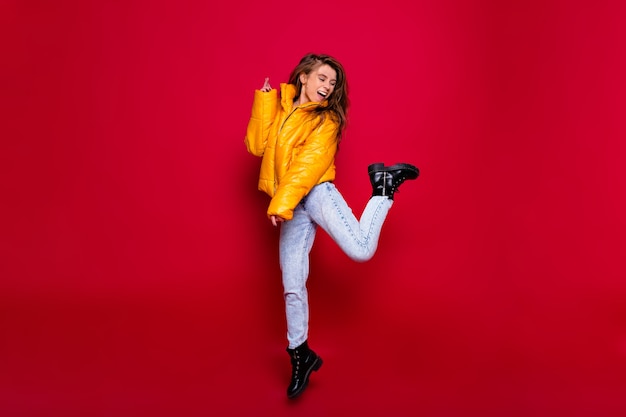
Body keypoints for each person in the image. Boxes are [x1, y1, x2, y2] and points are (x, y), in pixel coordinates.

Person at [244, 53, 419, 399]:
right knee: (292, 283)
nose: (327, 87)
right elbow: (256, 147)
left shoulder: (327, 122)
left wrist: (281, 203)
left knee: (361, 250)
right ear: (304, 77)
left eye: (333, 83)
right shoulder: (281, 108)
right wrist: (264, 103)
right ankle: (301, 354)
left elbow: (306, 168)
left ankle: (382, 189)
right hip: (292, 203)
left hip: (315, 194)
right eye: (323, 78)